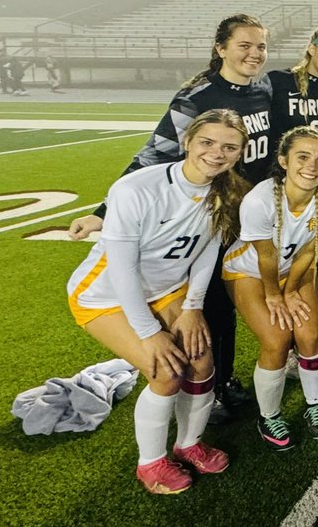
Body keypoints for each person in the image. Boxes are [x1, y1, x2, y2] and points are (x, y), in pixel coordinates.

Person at [68, 13, 273, 423]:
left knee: (228, 298)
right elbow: (154, 152)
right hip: (207, 211)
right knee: (211, 300)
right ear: (221, 49)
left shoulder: (263, 88)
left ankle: (221, 377)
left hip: (243, 212)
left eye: (261, 46)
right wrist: (101, 213)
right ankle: (213, 386)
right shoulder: (196, 96)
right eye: (244, 45)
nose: (254, 54)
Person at [67, 110, 249, 494]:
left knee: (201, 364)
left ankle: (188, 444)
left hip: (168, 290)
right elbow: (121, 269)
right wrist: (150, 332)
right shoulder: (137, 188)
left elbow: (205, 252)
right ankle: (150, 463)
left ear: (239, 153)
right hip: (105, 295)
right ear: (187, 142)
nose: (216, 153)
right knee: (165, 371)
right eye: (207, 142)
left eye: (229, 147)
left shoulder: (227, 192)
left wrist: (192, 307)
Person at [223, 127, 318, 449]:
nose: (312, 166)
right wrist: (275, 295)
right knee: (277, 339)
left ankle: (315, 403)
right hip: (248, 272)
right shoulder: (259, 199)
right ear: (283, 160)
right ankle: (269, 415)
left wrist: (291, 290)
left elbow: (310, 250)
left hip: (294, 272)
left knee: (309, 335)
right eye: (302, 157)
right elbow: (266, 254)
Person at [267, 26, 318, 301]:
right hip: (280, 187)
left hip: (317, 185)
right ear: (311, 49)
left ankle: (306, 335)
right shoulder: (278, 81)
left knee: (314, 266)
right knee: (275, 263)